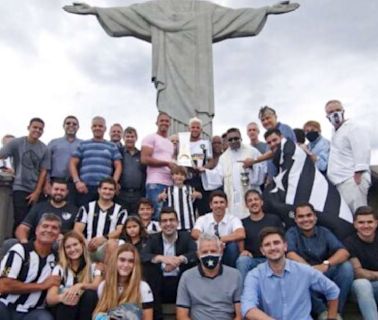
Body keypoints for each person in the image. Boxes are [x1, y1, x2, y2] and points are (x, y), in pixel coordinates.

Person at [63, 1, 299, 136]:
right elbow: (128, 15)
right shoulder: (155, 9)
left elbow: (235, 18)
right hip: (171, 78)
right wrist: (97, 11)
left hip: (198, 82)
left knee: (199, 126)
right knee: (173, 127)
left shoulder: (205, 10)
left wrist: (265, 10)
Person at [241, 227, 340, 320]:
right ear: (262, 251)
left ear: (285, 246)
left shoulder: (304, 271)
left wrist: (331, 317)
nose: (272, 247)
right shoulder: (255, 275)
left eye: (276, 243)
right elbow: (248, 308)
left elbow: (332, 290)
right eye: (267, 245)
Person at [285, 202, 353, 318]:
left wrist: (326, 264)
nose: (305, 219)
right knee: (295, 276)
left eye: (309, 215)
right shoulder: (291, 233)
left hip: (324, 272)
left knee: (346, 267)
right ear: (295, 219)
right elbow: (290, 254)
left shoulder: (324, 231)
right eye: (301, 216)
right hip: (304, 275)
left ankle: (335, 312)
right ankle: (322, 311)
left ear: (315, 217)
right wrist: (309, 269)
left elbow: (344, 252)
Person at [0, 213, 62, 320]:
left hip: (34, 312)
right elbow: (3, 285)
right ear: (37, 230)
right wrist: (42, 285)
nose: (49, 230)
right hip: (5, 306)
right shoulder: (19, 250)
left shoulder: (58, 259)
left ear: (58, 235)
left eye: (54, 228)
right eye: (45, 226)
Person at [141, 207, 197, 319]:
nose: (168, 224)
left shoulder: (186, 236)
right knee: (149, 268)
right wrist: (162, 258)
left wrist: (179, 259)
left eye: (171, 220)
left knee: (191, 267)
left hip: (180, 281)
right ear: (160, 224)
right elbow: (143, 255)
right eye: (164, 221)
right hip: (159, 283)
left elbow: (195, 253)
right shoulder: (153, 238)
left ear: (177, 222)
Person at [200, 128, 265, 219]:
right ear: (227, 141)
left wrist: (252, 166)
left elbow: (262, 169)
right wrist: (205, 172)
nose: (233, 141)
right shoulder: (224, 157)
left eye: (236, 138)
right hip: (232, 196)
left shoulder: (252, 151)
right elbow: (218, 175)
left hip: (248, 191)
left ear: (241, 138)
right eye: (230, 139)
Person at [176, 233, 242, 320]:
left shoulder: (235, 275)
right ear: (198, 254)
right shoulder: (187, 277)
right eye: (205, 252)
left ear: (221, 252)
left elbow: (240, 315)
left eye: (213, 251)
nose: (209, 255)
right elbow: (182, 315)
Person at [0, 117, 49, 231]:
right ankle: (16, 246)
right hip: (20, 187)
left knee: (38, 221)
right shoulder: (16, 143)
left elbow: (44, 171)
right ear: (28, 128)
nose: (37, 130)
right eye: (35, 127)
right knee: (20, 220)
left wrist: (37, 192)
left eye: (40, 129)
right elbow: (2, 155)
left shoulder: (44, 148)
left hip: (36, 189)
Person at [325, 99, 371, 213]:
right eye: (331, 112)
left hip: (352, 180)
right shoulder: (335, 131)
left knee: (360, 214)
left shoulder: (353, 127)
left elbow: (362, 148)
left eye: (338, 110)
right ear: (327, 117)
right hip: (340, 182)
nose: (335, 113)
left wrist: (359, 172)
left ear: (343, 112)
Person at [46, 231, 102, 320]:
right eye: (68, 247)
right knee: (70, 300)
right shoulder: (59, 269)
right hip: (65, 311)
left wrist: (80, 285)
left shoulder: (93, 266)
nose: (72, 249)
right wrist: (63, 297)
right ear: (64, 250)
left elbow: (96, 285)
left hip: (85, 311)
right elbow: (50, 299)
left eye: (75, 244)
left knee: (90, 295)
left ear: (82, 245)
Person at [70, 116, 122, 206]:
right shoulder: (83, 144)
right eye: (95, 126)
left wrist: (113, 182)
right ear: (91, 128)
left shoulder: (112, 146)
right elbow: (72, 163)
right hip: (85, 188)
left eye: (100, 126)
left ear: (105, 129)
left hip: (104, 189)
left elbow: (118, 166)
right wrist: (77, 182)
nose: (97, 128)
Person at [93, 243, 154, 320]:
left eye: (131, 261)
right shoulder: (103, 286)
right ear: (115, 261)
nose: (126, 265)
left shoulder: (143, 287)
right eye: (122, 260)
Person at [74, 177, 127, 262]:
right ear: (99, 190)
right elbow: (77, 230)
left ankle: (107, 273)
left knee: (113, 243)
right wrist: (86, 242)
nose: (107, 191)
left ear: (115, 192)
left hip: (107, 246)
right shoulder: (87, 207)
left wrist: (104, 238)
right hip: (88, 245)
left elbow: (119, 230)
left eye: (111, 189)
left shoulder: (121, 210)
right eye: (105, 188)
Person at [236, 189, 283, 283]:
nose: (253, 202)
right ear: (246, 205)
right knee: (242, 261)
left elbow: (282, 239)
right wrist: (243, 251)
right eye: (250, 200)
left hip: (273, 257)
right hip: (254, 260)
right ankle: (242, 295)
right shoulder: (242, 223)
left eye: (256, 199)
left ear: (261, 202)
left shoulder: (274, 219)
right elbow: (240, 241)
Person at [192, 191, 245, 267]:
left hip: (226, 251)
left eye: (222, 202)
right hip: (208, 249)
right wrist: (213, 242)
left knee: (232, 247)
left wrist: (220, 239)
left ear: (226, 205)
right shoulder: (203, 219)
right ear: (211, 205)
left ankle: (230, 272)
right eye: (216, 203)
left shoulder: (233, 219)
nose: (219, 205)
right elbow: (195, 233)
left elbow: (241, 234)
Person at [16, 179, 78, 243]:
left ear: (67, 192)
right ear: (51, 190)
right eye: (56, 189)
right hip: (37, 244)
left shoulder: (74, 211)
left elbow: (77, 234)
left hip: (60, 245)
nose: (59, 192)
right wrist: (24, 241)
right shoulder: (39, 207)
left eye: (62, 190)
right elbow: (23, 228)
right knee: (10, 242)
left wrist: (65, 238)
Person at [344, 206, 378, 320]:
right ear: (355, 224)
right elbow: (358, 273)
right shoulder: (349, 242)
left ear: (376, 223)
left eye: (370, 222)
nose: (366, 226)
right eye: (361, 222)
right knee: (362, 284)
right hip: (358, 290)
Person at [141, 112, 175, 220]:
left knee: (166, 217)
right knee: (155, 215)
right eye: (162, 121)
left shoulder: (170, 143)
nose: (164, 123)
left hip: (169, 184)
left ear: (170, 124)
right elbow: (144, 159)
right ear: (157, 122)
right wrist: (166, 163)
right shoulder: (150, 138)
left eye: (166, 121)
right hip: (155, 183)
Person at [46, 115, 82, 202]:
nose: (71, 125)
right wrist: (46, 183)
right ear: (63, 126)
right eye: (68, 123)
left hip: (74, 184)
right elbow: (46, 164)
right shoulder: (53, 143)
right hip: (55, 182)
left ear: (78, 127)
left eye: (74, 124)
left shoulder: (83, 144)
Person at [258, 106, 296, 180]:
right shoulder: (269, 136)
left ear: (275, 116)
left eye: (268, 118)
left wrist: (254, 161)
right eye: (263, 120)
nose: (265, 121)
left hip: (287, 177)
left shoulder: (284, 129)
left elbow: (277, 151)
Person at [158, 166, 201, 231]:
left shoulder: (189, 188)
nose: (179, 177)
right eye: (176, 174)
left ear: (185, 177)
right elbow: (159, 200)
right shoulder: (168, 189)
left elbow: (200, 196)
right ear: (172, 176)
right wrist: (160, 196)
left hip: (188, 221)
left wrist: (197, 194)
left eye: (182, 175)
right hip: (174, 220)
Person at [187, 117, 213, 215]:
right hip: (188, 179)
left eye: (197, 127)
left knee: (204, 209)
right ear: (188, 129)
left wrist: (204, 168)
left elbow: (211, 161)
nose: (195, 129)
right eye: (193, 127)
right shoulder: (184, 143)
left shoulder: (205, 143)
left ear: (201, 130)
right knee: (189, 209)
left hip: (202, 180)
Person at [118, 126, 146, 215]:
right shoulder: (119, 153)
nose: (130, 139)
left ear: (136, 138)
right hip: (121, 193)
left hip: (138, 194)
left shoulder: (141, 154)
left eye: (132, 137)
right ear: (123, 138)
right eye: (127, 137)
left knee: (136, 220)